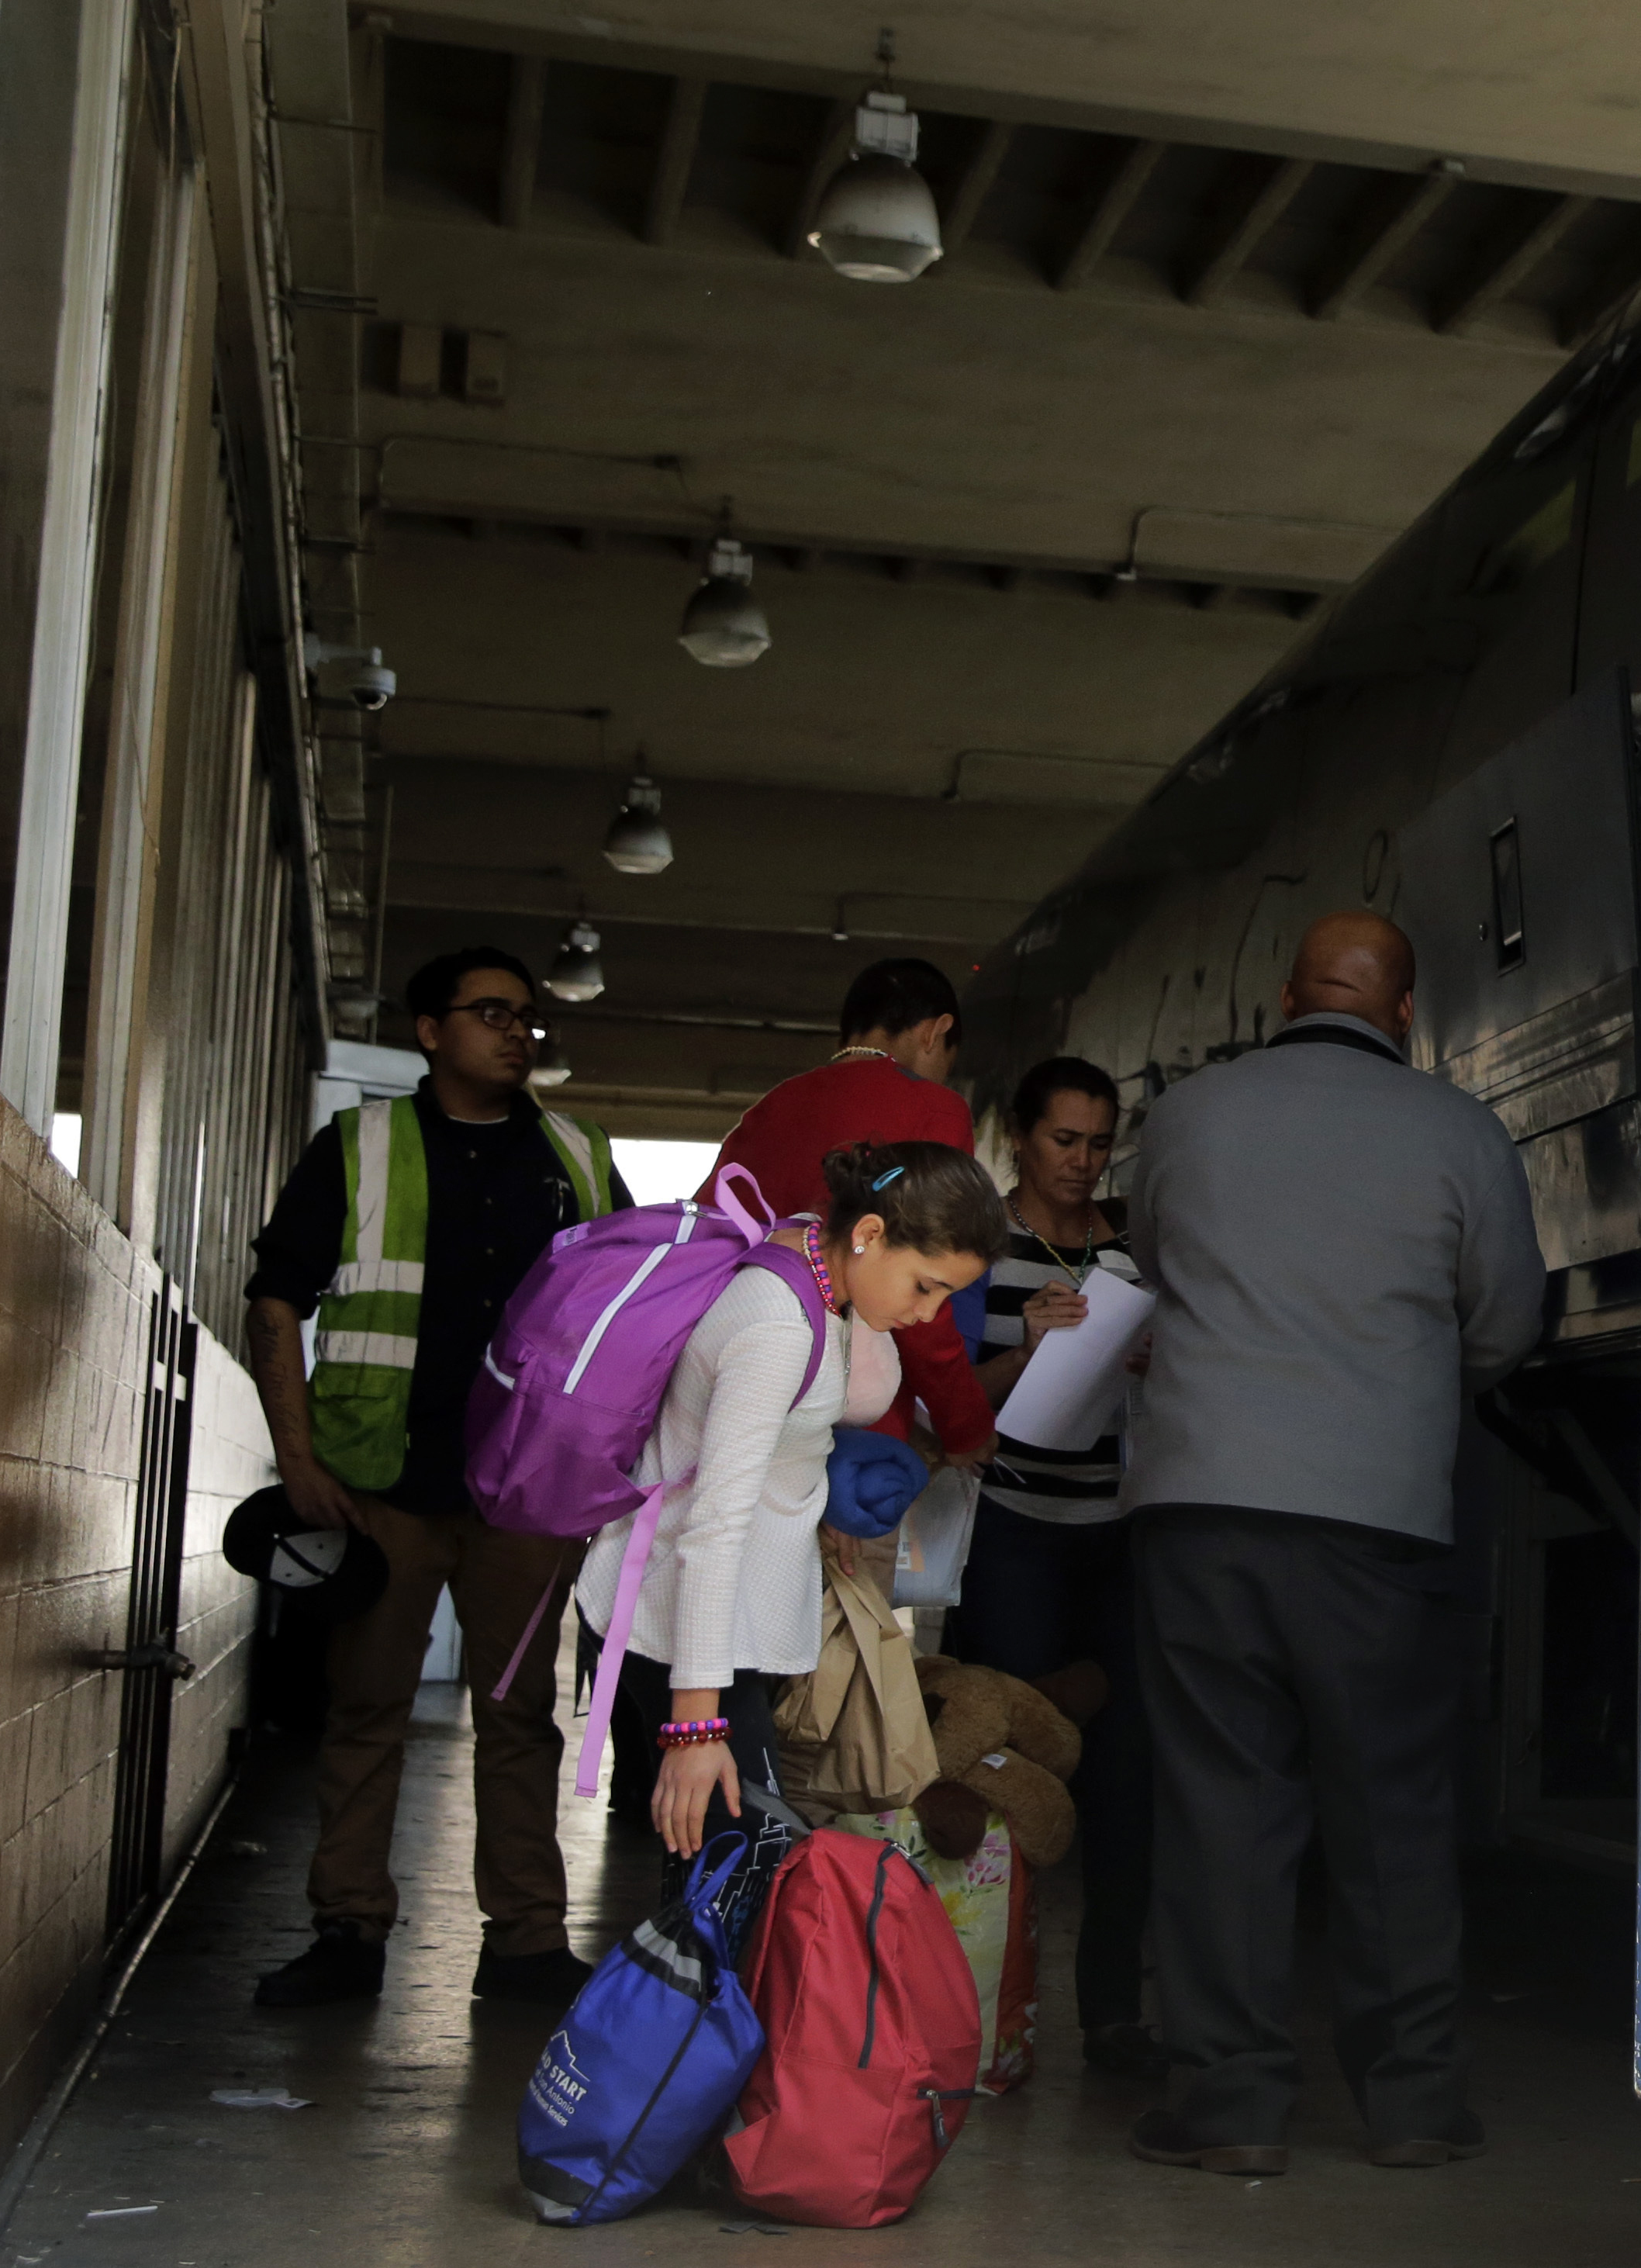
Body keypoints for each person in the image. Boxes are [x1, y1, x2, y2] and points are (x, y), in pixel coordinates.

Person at [1124, 911, 1542, 2176]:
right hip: (1375, 1518)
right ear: (1403, 1009)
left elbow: (1154, 1264)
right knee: (1391, 1809)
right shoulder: (1460, 1130)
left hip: (1198, 1510)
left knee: (1219, 1807)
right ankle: (1410, 2099)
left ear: (1284, 991)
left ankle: (1230, 2103)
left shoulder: (1186, 1116)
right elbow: (1503, 1323)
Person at [243, 946, 627, 2009]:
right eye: (491, 1013)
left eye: (526, 1018)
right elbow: (277, 1299)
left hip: (525, 1495)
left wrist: (600, 1469)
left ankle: (527, 1947)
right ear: (429, 1031)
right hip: (383, 1489)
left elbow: (621, 1320)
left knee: (519, 1721)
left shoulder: (579, 1157)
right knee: (365, 1713)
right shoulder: (357, 1147)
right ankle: (348, 1934)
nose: (516, 1033)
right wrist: (299, 1461)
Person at [580, 1141, 1005, 1856]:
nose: (930, 1313)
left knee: (718, 1882)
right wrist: (696, 1727)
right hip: (677, 1633)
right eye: (925, 1286)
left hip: (707, 1633)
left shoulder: (809, 1256)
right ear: (868, 1234)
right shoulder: (778, 1323)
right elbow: (713, 1528)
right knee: (739, 1872)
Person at [959, 1056, 1162, 2073]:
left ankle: (1114, 2012)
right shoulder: (975, 1249)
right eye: (1062, 1141)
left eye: (1097, 1143)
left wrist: (1150, 1363)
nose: (1081, 1163)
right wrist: (1025, 1352)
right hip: (1011, 1534)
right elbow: (938, 1411)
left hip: (1118, 1532)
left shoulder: (1133, 1257)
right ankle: (990, 2001)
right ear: (1020, 1139)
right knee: (1007, 1766)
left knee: (1130, 1770)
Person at [700, 957, 998, 1463]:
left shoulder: (772, 1106)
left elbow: (708, 1240)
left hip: (743, 1387)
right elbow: (922, 1289)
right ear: (935, 1032)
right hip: (860, 1414)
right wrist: (964, 1424)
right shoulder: (936, 1109)